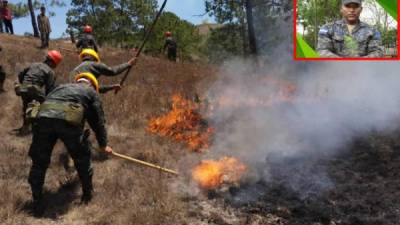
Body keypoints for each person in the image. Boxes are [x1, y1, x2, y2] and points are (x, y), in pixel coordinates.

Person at [27, 72, 113, 217]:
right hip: (68, 122)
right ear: (92, 84)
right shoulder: (91, 92)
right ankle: (87, 196)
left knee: (39, 162)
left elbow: (46, 102)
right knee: (82, 158)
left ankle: (37, 201)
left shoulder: (59, 88)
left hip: (44, 119)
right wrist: (103, 144)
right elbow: (98, 122)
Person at [16, 50, 62, 135]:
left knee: (26, 106)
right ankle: (35, 129)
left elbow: (20, 74)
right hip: (34, 89)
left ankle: (25, 127)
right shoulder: (50, 71)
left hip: (22, 88)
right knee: (39, 107)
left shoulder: (34, 64)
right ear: (53, 63)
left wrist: (24, 84)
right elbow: (50, 88)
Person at [317, 0, 383, 58]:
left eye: (356, 6)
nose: (351, 10)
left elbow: (378, 52)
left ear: (361, 9)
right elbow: (322, 51)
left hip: (363, 70)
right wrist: (345, 64)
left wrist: (358, 64)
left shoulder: (372, 31)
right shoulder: (328, 28)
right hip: (335, 70)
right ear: (341, 9)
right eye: (348, 6)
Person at [69, 48, 137, 94]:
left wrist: (112, 87)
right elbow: (112, 71)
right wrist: (128, 64)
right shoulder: (94, 65)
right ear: (94, 58)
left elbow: (93, 88)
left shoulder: (75, 70)